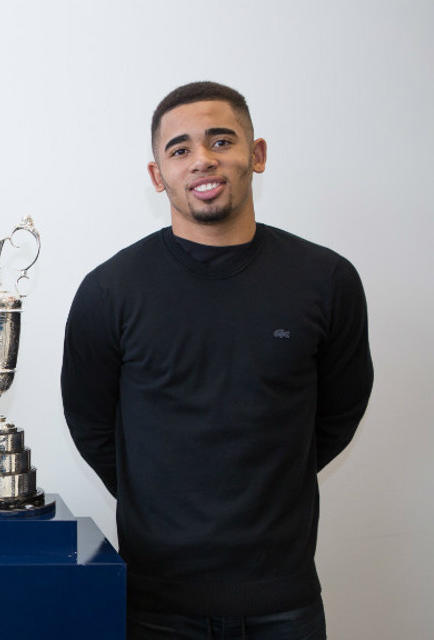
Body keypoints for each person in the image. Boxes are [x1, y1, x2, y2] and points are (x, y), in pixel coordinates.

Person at [61, 81, 373, 639]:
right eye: (179, 149)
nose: (202, 159)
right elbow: (91, 424)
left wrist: (272, 481)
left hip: (286, 601)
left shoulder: (326, 281)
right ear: (158, 176)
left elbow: (339, 413)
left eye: (221, 140)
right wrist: (157, 492)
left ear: (256, 155)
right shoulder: (110, 291)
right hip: (155, 603)